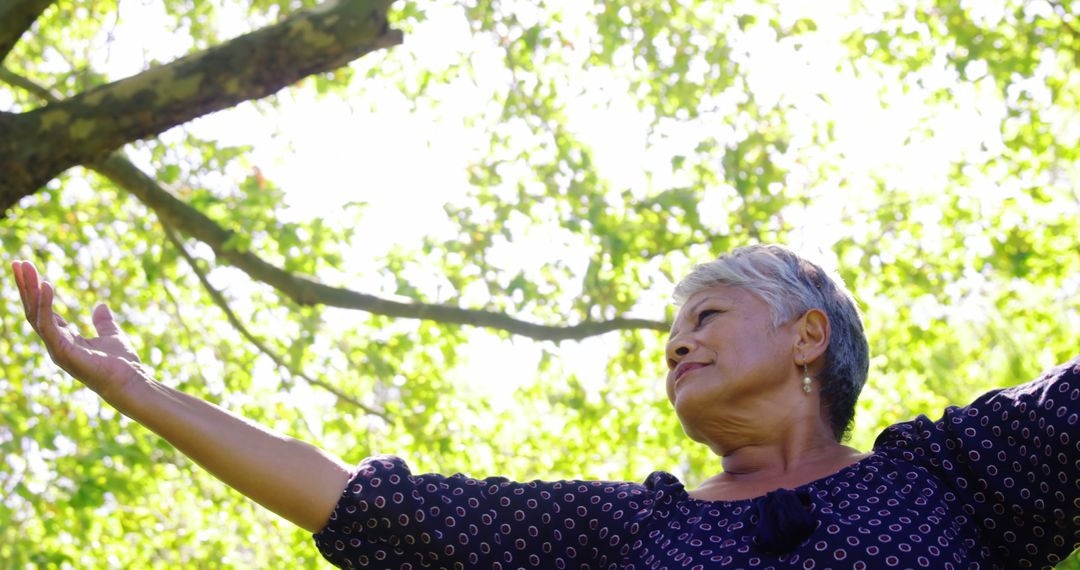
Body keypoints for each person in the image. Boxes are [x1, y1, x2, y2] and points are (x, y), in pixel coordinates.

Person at [11, 244, 1079, 569]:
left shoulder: (953, 475)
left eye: (708, 314)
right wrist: (139, 394)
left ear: (809, 338)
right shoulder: (620, 531)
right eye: (673, 328)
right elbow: (362, 506)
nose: (676, 341)